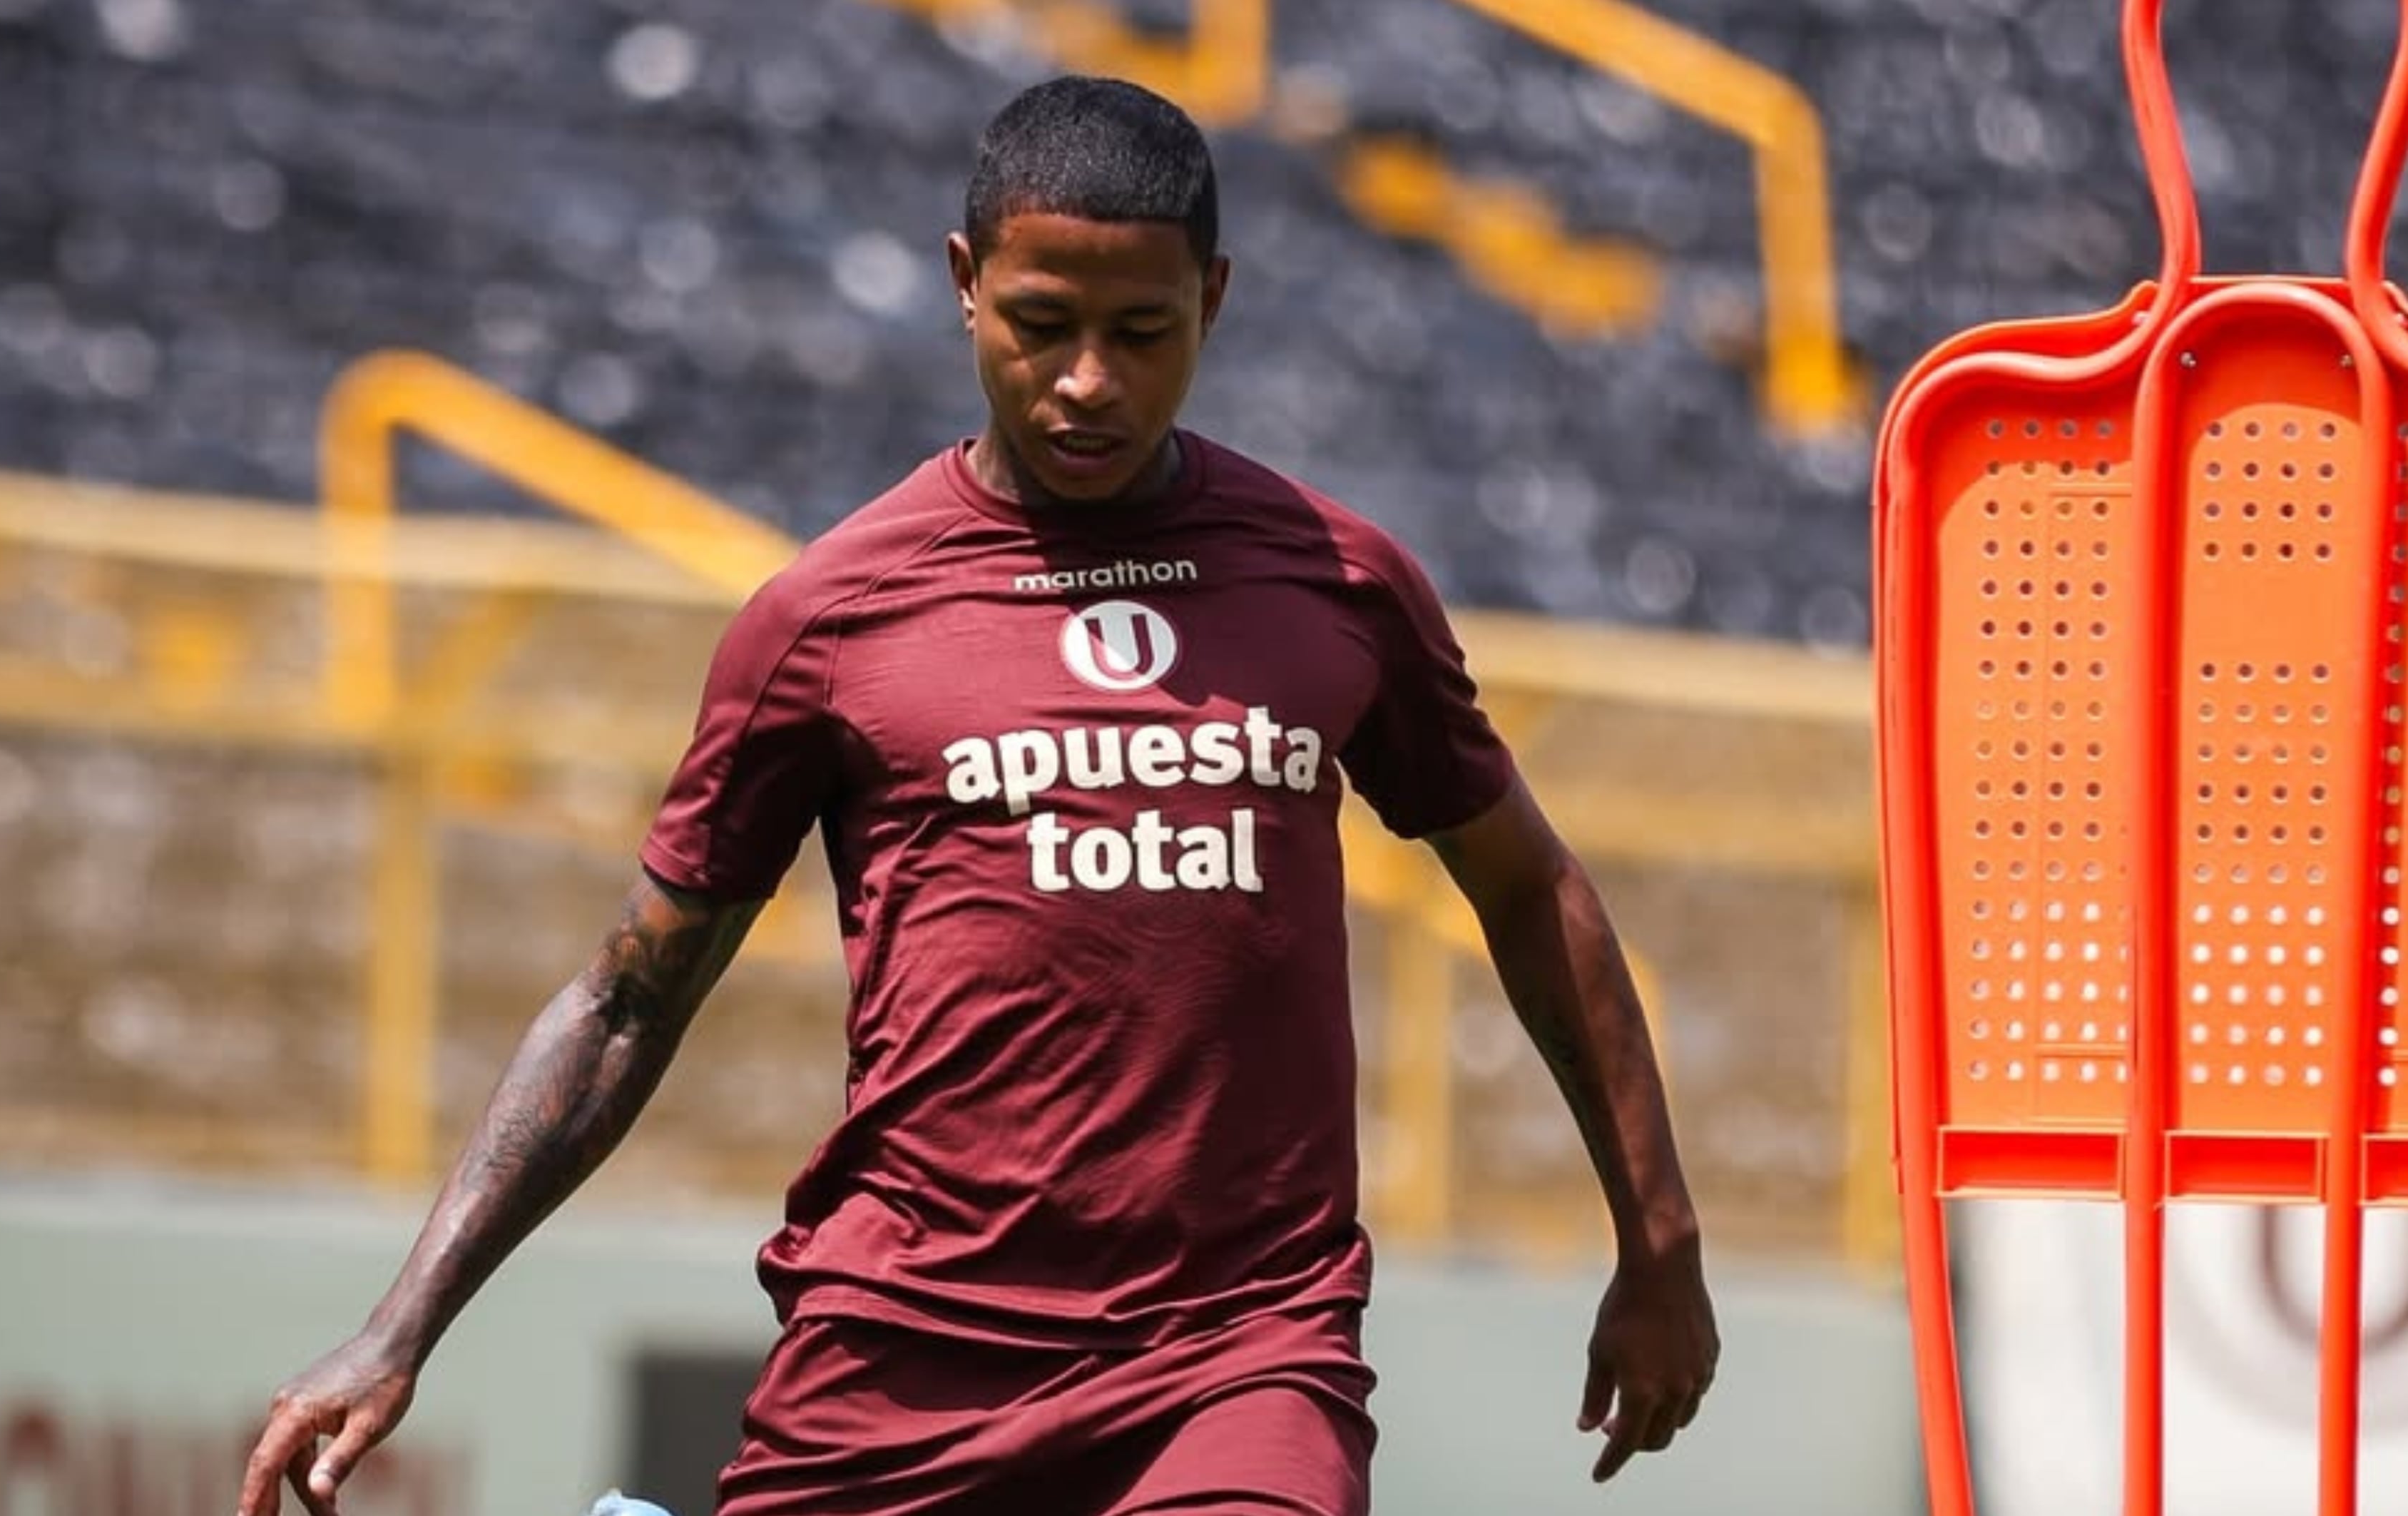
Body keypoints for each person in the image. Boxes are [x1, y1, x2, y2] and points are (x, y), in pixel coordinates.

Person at [237, 74, 1717, 1516]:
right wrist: (402, 1323)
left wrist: (1657, 1242)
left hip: (1238, 1356)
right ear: (963, 283)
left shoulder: (1339, 581)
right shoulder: (830, 617)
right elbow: (629, 997)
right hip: (907, 1351)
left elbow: (1530, 888)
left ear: (1216, 296)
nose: (1089, 379)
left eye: (1141, 331)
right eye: (1040, 326)